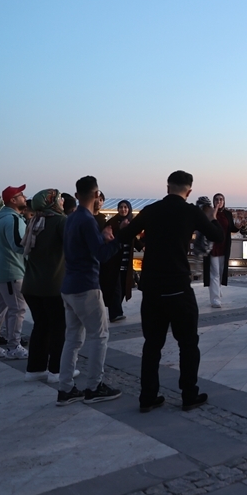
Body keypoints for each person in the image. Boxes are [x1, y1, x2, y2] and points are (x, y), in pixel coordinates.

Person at [116, 170, 224, 412]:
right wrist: (213, 216)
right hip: (178, 287)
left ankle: (148, 397)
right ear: (189, 191)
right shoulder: (191, 211)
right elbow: (217, 236)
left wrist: (124, 225)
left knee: (152, 344)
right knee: (188, 343)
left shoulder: (151, 210)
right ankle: (188, 394)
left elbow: (124, 236)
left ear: (167, 187)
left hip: (152, 288)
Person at [56, 176, 122, 406]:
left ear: (76, 195)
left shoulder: (72, 219)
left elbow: (84, 247)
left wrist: (101, 237)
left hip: (69, 286)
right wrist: (117, 240)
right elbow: (100, 255)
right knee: (99, 336)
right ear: (96, 195)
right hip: (86, 287)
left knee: (72, 339)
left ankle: (65, 389)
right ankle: (94, 387)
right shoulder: (87, 220)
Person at [20, 189, 68, 382]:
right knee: (58, 327)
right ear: (52, 202)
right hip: (53, 284)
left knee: (41, 326)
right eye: (59, 199)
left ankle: (35, 369)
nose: (62, 202)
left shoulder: (35, 221)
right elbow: (72, 246)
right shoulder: (60, 221)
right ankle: (57, 370)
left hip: (31, 285)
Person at [0, 184, 29, 360]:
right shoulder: (13, 219)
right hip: (11, 272)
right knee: (17, 309)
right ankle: (14, 346)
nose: (25, 197)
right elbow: (18, 245)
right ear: (13, 200)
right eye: (21, 195)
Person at [101, 199, 135, 322]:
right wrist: (120, 229)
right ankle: (115, 313)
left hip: (125, 260)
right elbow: (111, 239)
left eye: (126, 207)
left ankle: (116, 310)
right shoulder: (112, 222)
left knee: (122, 286)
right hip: (114, 260)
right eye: (121, 207)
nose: (123, 209)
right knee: (115, 286)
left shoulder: (131, 222)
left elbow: (135, 241)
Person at [205, 193, 238, 308]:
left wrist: (239, 226)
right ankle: (215, 299)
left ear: (224, 201)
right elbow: (210, 222)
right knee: (214, 273)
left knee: (220, 271)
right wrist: (216, 209)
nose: (219, 201)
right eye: (217, 199)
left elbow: (231, 228)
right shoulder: (209, 213)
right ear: (213, 201)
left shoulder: (228, 214)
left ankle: (217, 291)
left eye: (221, 199)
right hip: (212, 246)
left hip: (224, 246)